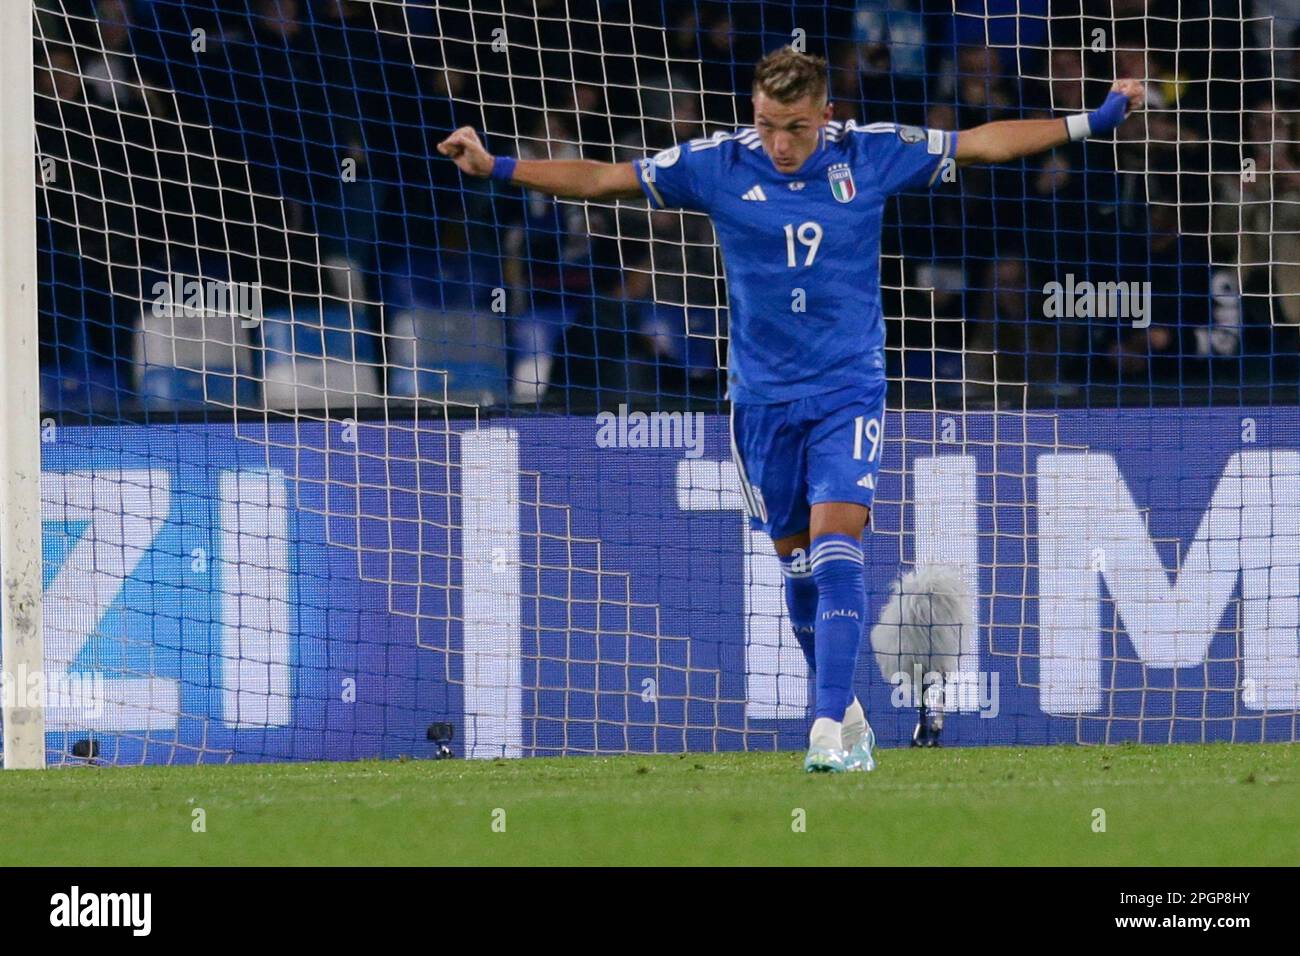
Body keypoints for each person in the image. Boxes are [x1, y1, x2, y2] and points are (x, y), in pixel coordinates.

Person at [439, 45, 1144, 772]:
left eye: (798, 128)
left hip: (848, 388)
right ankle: (851, 718)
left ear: (826, 117)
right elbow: (603, 179)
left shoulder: (867, 153)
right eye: (769, 124)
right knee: (799, 571)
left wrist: (1088, 120)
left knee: (838, 550)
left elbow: (982, 144)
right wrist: (497, 166)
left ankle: (826, 728)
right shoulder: (718, 163)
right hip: (759, 402)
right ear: (754, 113)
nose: (780, 143)